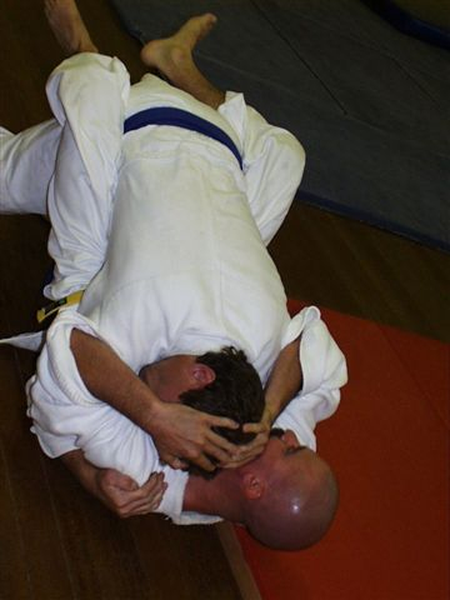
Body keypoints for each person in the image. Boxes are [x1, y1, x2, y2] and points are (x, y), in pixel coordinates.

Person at [0, 1, 348, 549]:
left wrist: (102, 468)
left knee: (77, 126)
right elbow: (317, 353)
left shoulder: (141, 466)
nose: (289, 437)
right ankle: (173, 65)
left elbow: (60, 373)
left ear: (254, 486)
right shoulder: (269, 424)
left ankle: (88, 50)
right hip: (204, 155)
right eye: (294, 442)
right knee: (283, 155)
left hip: (118, 165)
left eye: (290, 448)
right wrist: (267, 409)